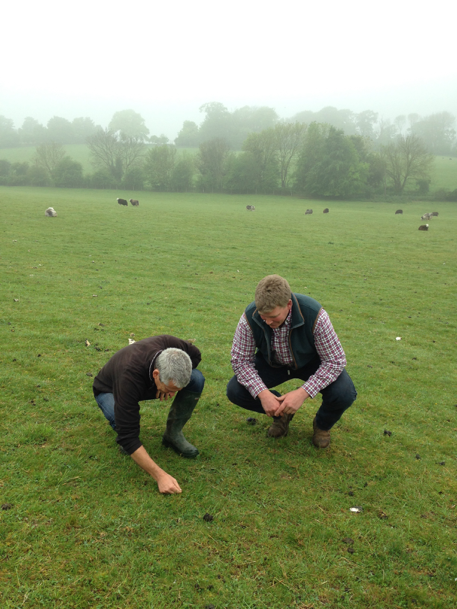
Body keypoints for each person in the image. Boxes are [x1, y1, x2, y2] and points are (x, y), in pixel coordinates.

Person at [226, 275, 356, 447]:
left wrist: (303, 393)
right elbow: (240, 361)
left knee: (344, 393)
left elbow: (335, 361)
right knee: (235, 390)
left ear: (288, 305)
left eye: (273, 316)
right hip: (272, 363)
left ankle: (322, 424)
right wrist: (263, 394)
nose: (268, 321)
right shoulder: (250, 317)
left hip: (310, 362)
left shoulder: (314, 314)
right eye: (264, 317)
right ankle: (281, 415)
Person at [93, 335, 205, 494]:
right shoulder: (129, 376)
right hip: (109, 390)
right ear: (156, 374)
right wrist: (160, 476)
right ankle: (130, 441)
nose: (172, 395)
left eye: (175, 391)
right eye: (170, 390)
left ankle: (173, 434)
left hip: (147, 382)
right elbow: (128, 436)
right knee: (124, 428)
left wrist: (167, 386)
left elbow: (196, 355)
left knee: (197, 378)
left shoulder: (170, 344)